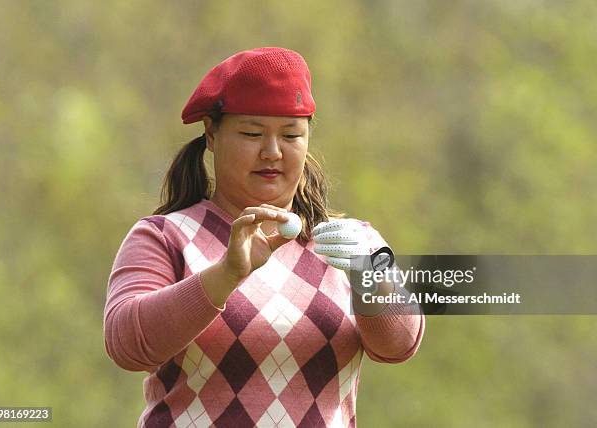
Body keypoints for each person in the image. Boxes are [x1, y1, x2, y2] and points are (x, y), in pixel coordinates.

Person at [104, 47, 425, 428]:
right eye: (252, 133)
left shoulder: (351, 243)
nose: (272, 152)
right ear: (211, 135)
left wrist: (370, 277)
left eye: (291, 135)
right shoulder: (165, 237)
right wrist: (226, 275)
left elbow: (400, 345)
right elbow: (128, 345)